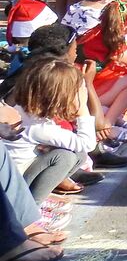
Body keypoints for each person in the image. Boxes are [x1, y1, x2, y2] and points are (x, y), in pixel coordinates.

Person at [2, 61, 96, 207]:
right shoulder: (37, 127)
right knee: (64, 157)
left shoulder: (23, 108)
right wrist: (82, 108)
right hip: (12, 187)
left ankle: (40, 195)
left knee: (78, 155)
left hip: (15, 175)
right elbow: (88, 144)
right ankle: (32, 208)